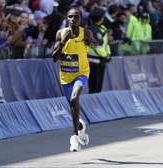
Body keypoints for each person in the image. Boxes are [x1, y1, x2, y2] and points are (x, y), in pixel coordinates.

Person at [52, 7, 96, 152]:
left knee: (74, 98)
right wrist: (64, 42)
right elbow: (54, 58)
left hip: (81, 73)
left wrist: (91, 41)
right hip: (65, 76)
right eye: (70, 17)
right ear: (66, 18)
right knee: (73, 107)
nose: (72, 19)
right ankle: (81, 128)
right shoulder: (61, 33)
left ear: (80, 19)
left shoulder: (85, 33)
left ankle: (74, 136)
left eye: (75, 17)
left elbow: (94, 43)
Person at [87, 8, 111, 93]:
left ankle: (95, 102)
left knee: (98, 85)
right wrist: (105, 55)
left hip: (100, 59)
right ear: (101, 18)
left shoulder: (102, 29)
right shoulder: (92, 30)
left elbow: (106, 44)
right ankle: (93, 103)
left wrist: (108, 53)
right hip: (95, 60)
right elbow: (96, 46)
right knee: (94, 85)